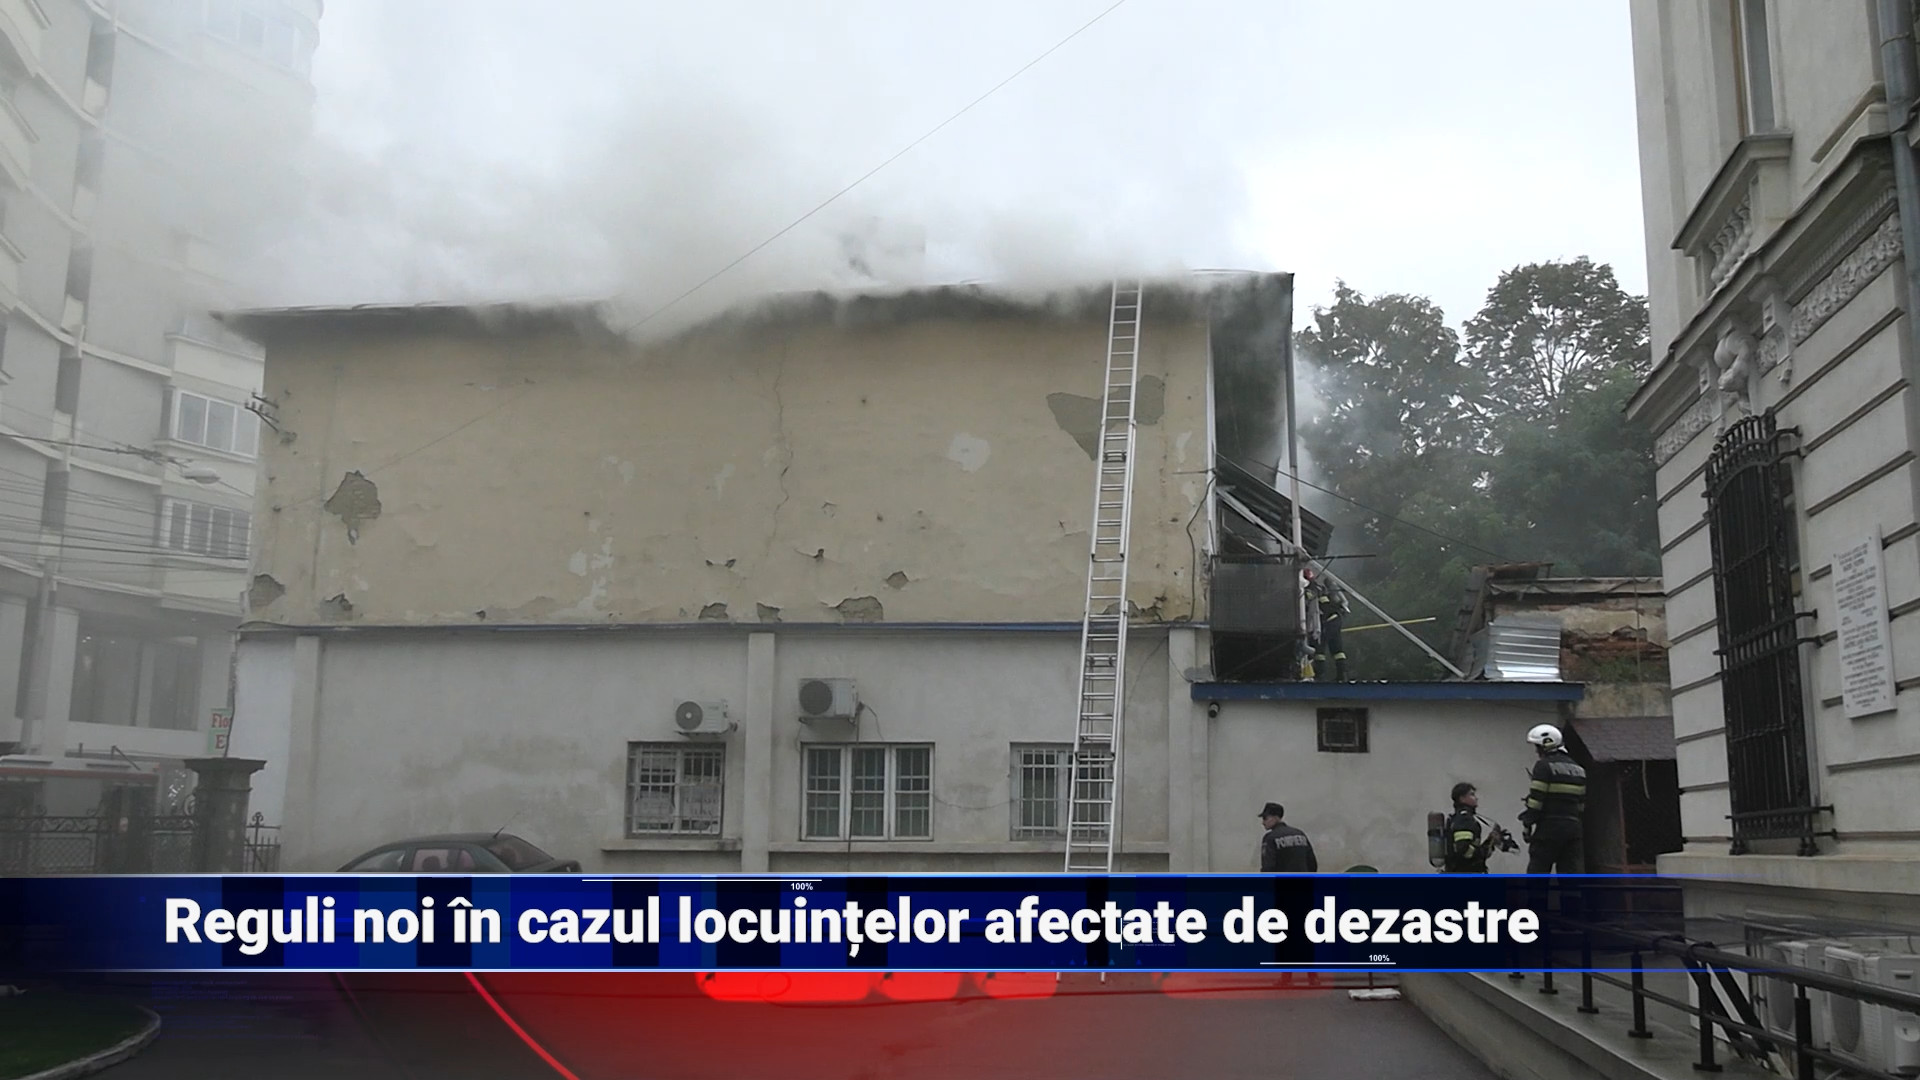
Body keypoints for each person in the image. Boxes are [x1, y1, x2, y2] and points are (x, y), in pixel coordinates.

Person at [1520, 724, 1587, 874]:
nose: (1537, 751)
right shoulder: (1579, 770)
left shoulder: (1543, 766)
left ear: (1546, 744)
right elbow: (1581, 806)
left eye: (1537, 747)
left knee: (1538, 873)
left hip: (1548, 829)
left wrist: (1527, 823)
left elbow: (1536, 801)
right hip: (1573, 831)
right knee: (1570, 876)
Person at [1442, 782, 1513, 873]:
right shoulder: (1464, 819)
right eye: (1472, 794)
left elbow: (1469, 850)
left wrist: (1490, 841)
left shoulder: (1458, 818)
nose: (1476, 798)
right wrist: (1483, 851)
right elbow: (1464, 850)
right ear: (1462, 798)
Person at [1304, 569, 1350, 682]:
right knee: (1337, 649)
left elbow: (1308, 607)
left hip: (1327, 621)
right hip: (1336, 618)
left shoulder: (1308, 590)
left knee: (1319, 648)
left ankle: (1320, 676)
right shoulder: (1321, 588)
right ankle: (1342, 675)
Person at [1258, 802, 1318, 872]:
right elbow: (1312, 864)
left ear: (1275, 817)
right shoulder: (1300, 834)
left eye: (1265, 818)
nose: (1263, 822)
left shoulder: (1270, 838)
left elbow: (1268, 867)